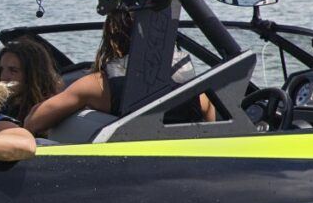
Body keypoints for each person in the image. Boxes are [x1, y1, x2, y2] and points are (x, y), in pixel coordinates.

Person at [24, 8, 213, 136]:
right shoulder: (198, 92)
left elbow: (33, 122)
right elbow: (210, 131)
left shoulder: (97, 86)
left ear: (112, 34)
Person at [0, 37, 63, 125]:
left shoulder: (46, 111)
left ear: (32, 74)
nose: (3, 76)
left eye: (13, 70)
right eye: (1, 69)